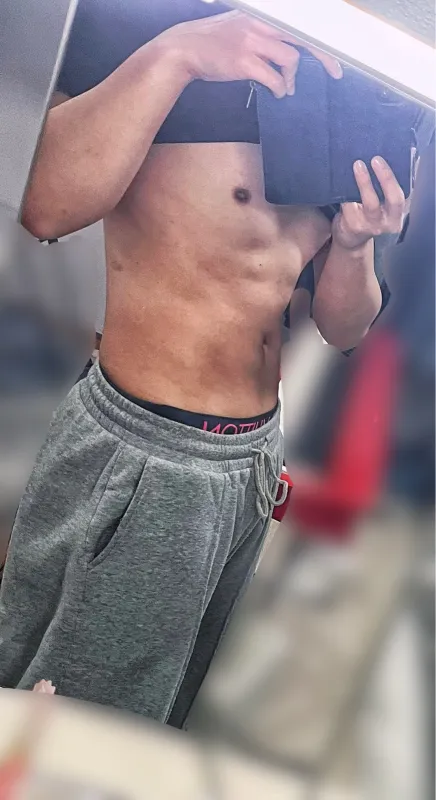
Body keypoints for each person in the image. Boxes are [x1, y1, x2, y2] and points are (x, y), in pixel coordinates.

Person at [0, 1, 406, 726]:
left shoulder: (355, 61)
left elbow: (345, 325)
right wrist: (182, 52)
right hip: (149, 447)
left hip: (252, 460)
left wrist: (355, 244)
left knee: (158, 716)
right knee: (73, 721)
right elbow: (45, 207)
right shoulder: (140, 21)